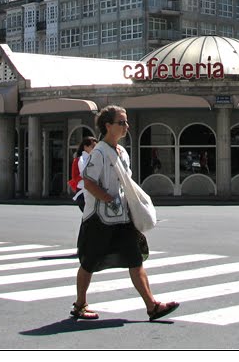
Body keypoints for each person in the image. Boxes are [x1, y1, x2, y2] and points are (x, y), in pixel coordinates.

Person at [72, 105, 178, 322]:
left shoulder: (122, 152)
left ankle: (152, 306)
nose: (126, 126)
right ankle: (80, 305)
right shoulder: (99, 152)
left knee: (135, 259)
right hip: (98, 218)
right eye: (121, 122)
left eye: (126, 122)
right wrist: (108, 199)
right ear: (108, 126)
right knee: (89, 262)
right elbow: (89, 183)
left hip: (121, 217)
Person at [68, 136, 97, 212]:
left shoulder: (97, 159)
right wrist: (86, 177)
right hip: (82, 191)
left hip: (95, 191)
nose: (95, 149)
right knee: (87, 215)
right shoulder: (78, 160)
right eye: (93, 146)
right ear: (85, 147)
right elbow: (75, 177)